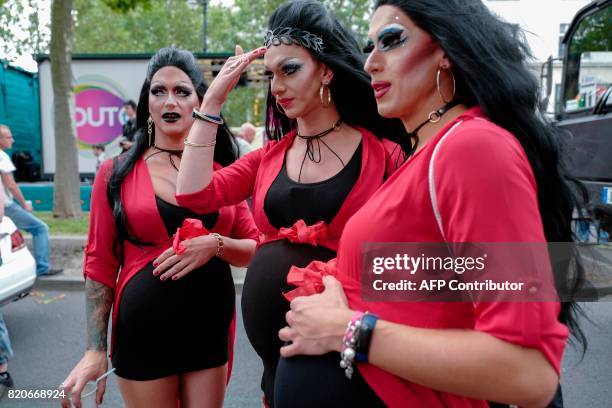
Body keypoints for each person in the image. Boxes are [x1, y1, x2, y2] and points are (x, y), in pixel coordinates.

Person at [275, 1, 587, 407]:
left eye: (390, 40)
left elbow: (528, 371)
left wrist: (347, 329)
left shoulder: (472, 147)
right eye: (369, 46)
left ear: (445, 48)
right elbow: (439, 290)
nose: (370, 63)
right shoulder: (426, 153)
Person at [173, 2, 405, 405]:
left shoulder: (384, 155)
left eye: (290, 70)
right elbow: (193, 193)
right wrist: (210, 104)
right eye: (271, 74)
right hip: (274, 363)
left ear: (326, 70)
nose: (276, 87)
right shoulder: (268, 157)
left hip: (342, 351)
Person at [60, 47, 258, 408]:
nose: (170, 100)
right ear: (147, 102)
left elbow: (255, 249)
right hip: (143, 334)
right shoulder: (116, 173)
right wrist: (94, 349)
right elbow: (100, 265)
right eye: (159, 90)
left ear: (201, 102)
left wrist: (215, 245)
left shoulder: (222, 173)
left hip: (208, 330)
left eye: (182, 91)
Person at [0, 125, 62, 277]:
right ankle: (42, 267)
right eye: (9, 137)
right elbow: (11, 185)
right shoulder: (2, 157)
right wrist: (24, 204)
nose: (12, 140)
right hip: (5, 206)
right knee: (40, 228)